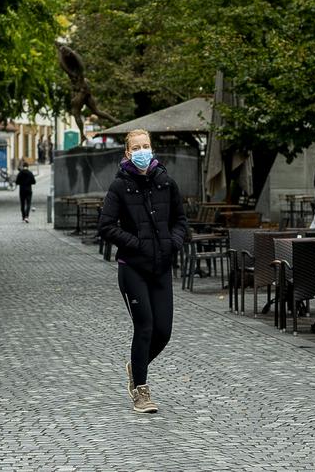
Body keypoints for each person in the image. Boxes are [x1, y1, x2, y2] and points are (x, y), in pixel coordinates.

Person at [98, 129, 188, 414]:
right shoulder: (119, 186)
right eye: (136, 147)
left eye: (146, 146)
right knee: (146, 326)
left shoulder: (166, 182)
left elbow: (181, 221)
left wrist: (172, 243)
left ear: (152, 148)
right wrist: (137, 244)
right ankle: (141, 391)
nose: (142, 151)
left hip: (161, 267)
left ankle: (135, 368)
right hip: (132, 268)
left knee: (163, 332)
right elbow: (106, 226)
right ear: (127, 153)